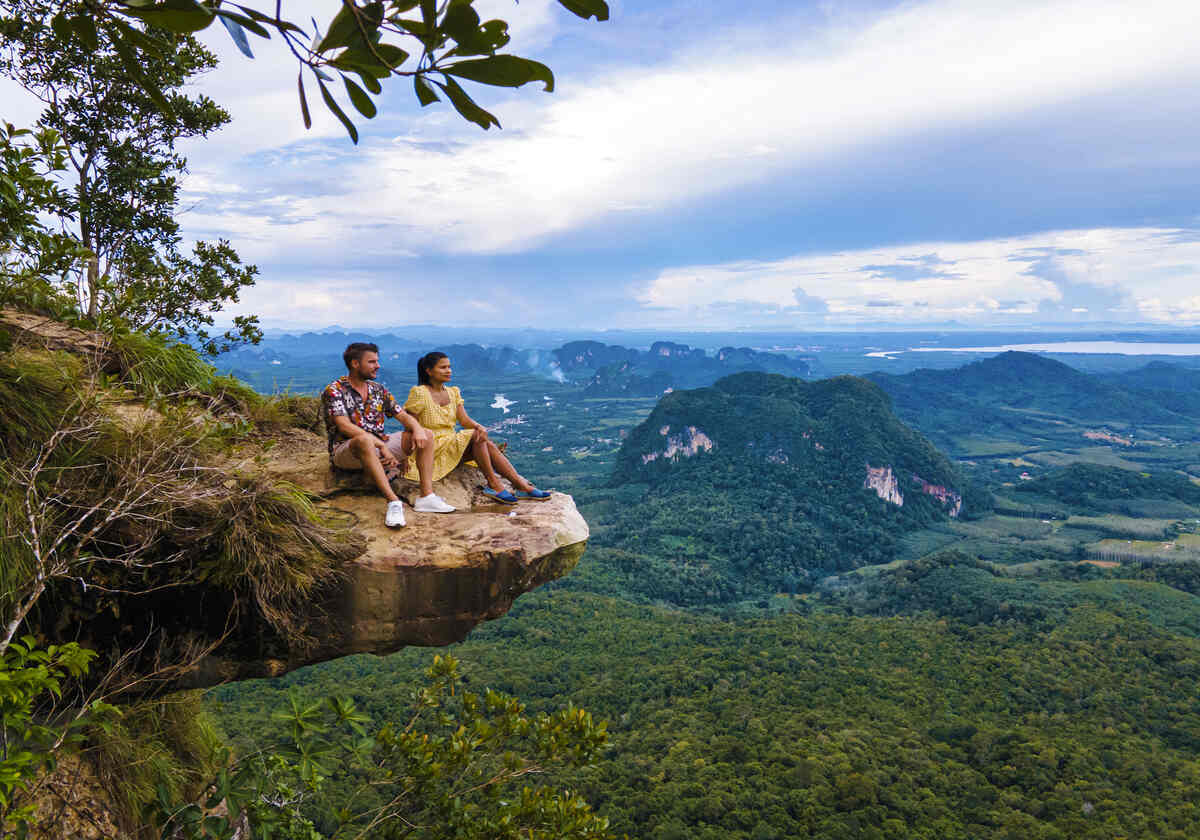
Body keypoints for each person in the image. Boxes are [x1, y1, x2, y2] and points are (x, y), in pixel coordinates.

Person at [322, 342, 456, 527]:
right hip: (347, 451)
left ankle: (426, 496)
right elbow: (344, 426)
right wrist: (382, 446)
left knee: (426, 434)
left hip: (378, 445)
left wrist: (417, 430)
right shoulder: (335, 390)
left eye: (377, 361)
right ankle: (393, 502)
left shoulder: (377, 389)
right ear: (355, 364)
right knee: (363, 440)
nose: (377, 365)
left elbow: (401, 415)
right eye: (372, 362)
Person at [403, 352, 552, 505]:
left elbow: (464, 420)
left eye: (449, 367)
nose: (449, 371)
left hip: (450, 444)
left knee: (483, 439)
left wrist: (478, 426)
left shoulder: (453, 392)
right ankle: (496, 483)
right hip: (432, 446)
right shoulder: (420, 393)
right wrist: (410, 450)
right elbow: (410, 423)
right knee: (476, 436)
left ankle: (518, 484)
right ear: (428, 370)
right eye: (443, 367)